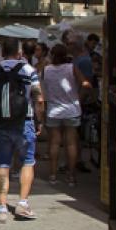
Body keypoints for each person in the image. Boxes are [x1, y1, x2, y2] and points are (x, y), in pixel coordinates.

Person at [0, 36, 44, 222]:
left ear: (2, 53)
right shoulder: (28, 70)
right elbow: (38, 97)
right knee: (28, 161)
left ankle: (2, 207)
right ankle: (22, 204)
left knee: (3, 164)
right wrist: (39, 119)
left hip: (2, 123)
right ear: (19, 52)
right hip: (24, 122)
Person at [41, 43, 90, 187]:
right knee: (71, 143)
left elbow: (42, 90)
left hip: (53, 110)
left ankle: (53, 175)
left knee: (54, 143)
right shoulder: (71, 68)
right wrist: (78, 98)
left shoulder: (46, 70)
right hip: (72, 109)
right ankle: (71, 176)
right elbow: (86, 85)